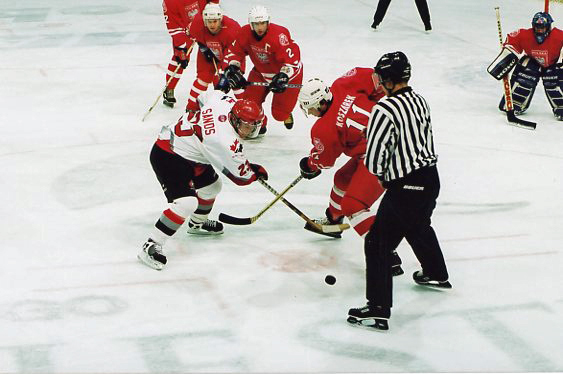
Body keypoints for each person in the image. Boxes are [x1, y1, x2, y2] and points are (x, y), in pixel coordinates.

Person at [348, 52, 451, 331]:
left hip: (406, 186)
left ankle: (378, 309)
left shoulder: (384, 109)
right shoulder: (420, 100)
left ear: (389, 80)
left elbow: (375, 159)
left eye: (381, 78)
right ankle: (436, 273)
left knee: (377, 244)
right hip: (431, 179)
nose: (379, 83)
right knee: (418, 225)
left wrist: (385, 177)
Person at [138, 91, 268, 270]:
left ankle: (196, 224)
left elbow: (202, 97)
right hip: (167, 153)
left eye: (255, 126)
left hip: (191, 153)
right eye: (248, 126)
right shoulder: (224, 140)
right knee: (185, 203)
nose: (251, 131)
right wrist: (253, 172)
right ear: (236, 120)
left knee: (213, 187)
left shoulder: (225, 101)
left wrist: (192, 117)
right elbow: (240, 178)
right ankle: (151, 244)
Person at [297, 69, 403, 276]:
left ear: (320, 104)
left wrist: (310, 164)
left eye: (310, 109)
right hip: (391, 140)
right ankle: (334, 221)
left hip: (381, 156)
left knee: (354, 205)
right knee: (343, 178)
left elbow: (325, 161)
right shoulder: (343, 84)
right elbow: (376, 79)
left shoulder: (323, 128)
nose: (310, 114)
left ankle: (386, 253)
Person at [219, 5, 303, 135]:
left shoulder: (279, 35)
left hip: (287, 75)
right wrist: (233, 69)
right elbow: (235, 52)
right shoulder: (245, 33)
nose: (259, 27)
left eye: (263, 23)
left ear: (268, 22)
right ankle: (260, 124)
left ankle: (286, 113)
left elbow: (292, 61)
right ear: (251, 24)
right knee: (249, 104)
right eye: (256, 24)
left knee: (279, 114)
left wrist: (284, 76)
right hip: (260, 72)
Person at [487, 12, 563, 120]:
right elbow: (511, 41)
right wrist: (506, 55)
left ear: (549, 27)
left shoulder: (558, 35)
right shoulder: (525, 35)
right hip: (533, 61)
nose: (540, 30)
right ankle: (515, 104)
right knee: (526, 70)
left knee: (553, 77)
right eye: (537, 27)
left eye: (543, 28)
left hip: (553, 63)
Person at [185, 4, 243, 114]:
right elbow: (192, 35)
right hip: (207, 51)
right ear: (204, 20)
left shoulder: (232, 28)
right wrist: (203, 47)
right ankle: (191, 108)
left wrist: (227, 71)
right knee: (203, 79)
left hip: (230, 54)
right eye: (209, 21)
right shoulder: (197, 24)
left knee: (235, 80)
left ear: (220, 19)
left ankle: (246, 112)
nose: (212, 25)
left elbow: (237, 52)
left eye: (215, 21)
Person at [162, 0, 219, 108]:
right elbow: (174, 27)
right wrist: (181, 47)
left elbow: (214, 2)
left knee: (215, 55)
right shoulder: (170, 2)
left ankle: (218, 92)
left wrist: (212, 13)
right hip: (185, 30)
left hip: (207, 23)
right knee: (180, 58)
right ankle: (169, 88)